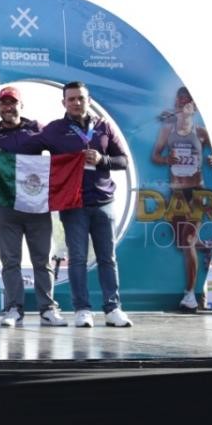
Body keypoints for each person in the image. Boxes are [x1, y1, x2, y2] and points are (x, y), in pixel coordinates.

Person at [29, 81, 132, 327]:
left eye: (81, 98)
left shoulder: (104, 126)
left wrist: (103, 159)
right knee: (77, 258)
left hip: (104, 201)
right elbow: (26, 148)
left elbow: (123, 161)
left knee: (108, 258)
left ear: (88, 100)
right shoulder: (54, 129)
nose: (76, 102)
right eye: (71, 99)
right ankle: (82, 309)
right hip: (73, 203)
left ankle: (113, 309)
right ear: (63, 102)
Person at [0, 87, 67, 327]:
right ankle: (13, 308)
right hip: (6, 206)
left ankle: (48, 309)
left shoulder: (37, 128)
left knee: (42, 260)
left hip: (37, 205)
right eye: (3, 103)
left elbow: (59, 154)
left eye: (12, 103)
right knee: (10, 260)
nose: (8, 107)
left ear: (21, 105)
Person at [150, 87, 212, 312]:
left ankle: (190, 294)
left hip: (197, 190)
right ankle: (204, 245)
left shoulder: (202, 132)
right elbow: (155, 155)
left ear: (194, 106)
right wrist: (167, 159)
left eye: (187, 101)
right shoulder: (167, 129)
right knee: (181, 242)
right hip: (176, 191)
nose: (182, 104)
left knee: (186, 241)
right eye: (180, 100)